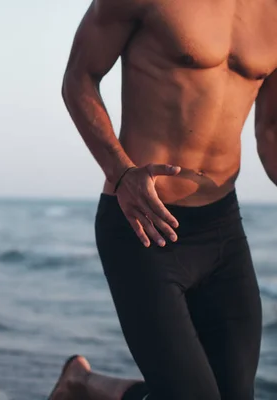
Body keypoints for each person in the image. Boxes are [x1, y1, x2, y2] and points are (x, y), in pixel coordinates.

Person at [49, 0, 277, 399]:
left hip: (223, 228)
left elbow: (271, 130)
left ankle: (82, 385)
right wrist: (120, 173)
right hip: (142, 223)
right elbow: (78, 78)